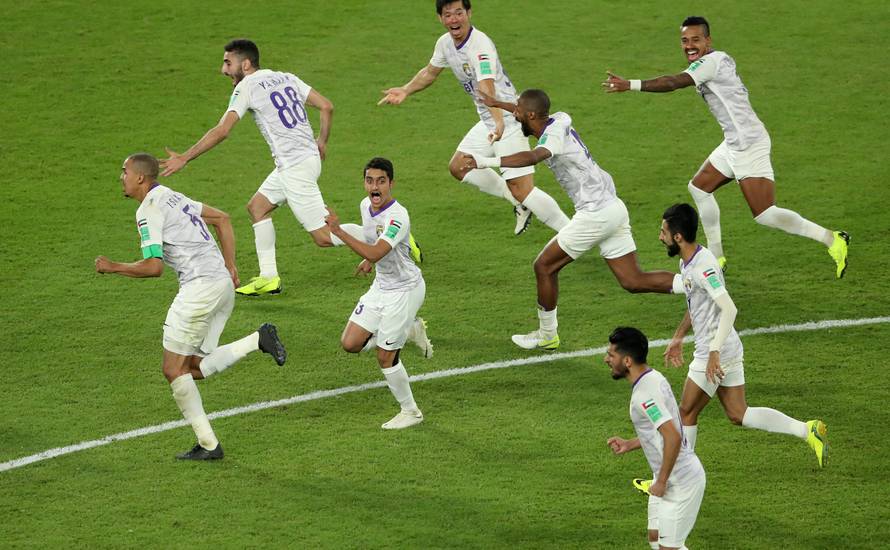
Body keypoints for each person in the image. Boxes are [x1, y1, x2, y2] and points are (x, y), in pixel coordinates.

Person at [602, 16, 849, 278]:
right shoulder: (715, 60)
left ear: (708, 40)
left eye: (696, 39)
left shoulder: (710, 63)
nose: (689, 45)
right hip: (734, 141)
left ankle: (833, 239)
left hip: (748, 144)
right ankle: (717, 257)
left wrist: (630, 85)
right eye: (684, 40)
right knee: (699, 187)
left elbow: (673, 82)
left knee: (765, 213)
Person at [160, 39, 409, 297]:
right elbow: (326, 106)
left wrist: (185, 157)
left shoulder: (247, 86)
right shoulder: (285, 77)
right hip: (303, 160)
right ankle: (269, 277)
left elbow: (223, 130)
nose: (223, 70)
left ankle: (389, 238)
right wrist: (321, 141)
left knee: (324, 237)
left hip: (294, 168)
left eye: (227, 63)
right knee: (257, 207)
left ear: (245, 65)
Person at [95, 153, 287, 460]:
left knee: (173, 369)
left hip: (198, 290)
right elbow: (222, 218)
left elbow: (153, 267)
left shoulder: (148, 210)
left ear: (140, 178)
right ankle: (257, 340)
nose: (122, 177)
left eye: (125, 172)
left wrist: (112, 266)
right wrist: (230, 265)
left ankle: (210, 446)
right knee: (192, 367)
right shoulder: (172, 196)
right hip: (222, 287)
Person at [464, 89, 683, 351]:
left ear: (531, 115)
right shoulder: (558, 118)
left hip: (596, 214)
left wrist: (485, 161)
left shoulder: (552, 138)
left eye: (518, 111)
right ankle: (695, 282)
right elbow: (525, 112)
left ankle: (547, 335)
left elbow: (535, 156)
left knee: (544, 266)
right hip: (612, 206)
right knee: (633, 281)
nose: (515, 114)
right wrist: (497, 103)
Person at [378, 0, 569, 236]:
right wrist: (406, 89)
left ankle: (571, 233)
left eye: (459, 13)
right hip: (490, 120)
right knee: (459, 167)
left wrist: (499, 123)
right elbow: (430, 72)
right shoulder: (445, 43)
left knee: (524, 190)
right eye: (448, 15)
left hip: (508, 120)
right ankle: (519, 203)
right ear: (440, 18)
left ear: (469, 13)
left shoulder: (480, 47)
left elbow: (487, 87)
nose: (454, 19)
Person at [658, 203, 828, 468]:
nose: (661, 237)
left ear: (678, 237)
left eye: (663, 232)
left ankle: (680, 477)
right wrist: (679, 337)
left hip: (714, 351)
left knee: (686, 413)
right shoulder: (687, 261)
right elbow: (698, 304)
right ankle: (807, 430)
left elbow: (729, 308)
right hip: (726, 346)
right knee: (739, 413)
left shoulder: (704, 268)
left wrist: (714, 352)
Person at [325, 157, 432, 429]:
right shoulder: (365, 206)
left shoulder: (398, 216)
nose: (375, 187)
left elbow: (376, 249)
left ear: (391, 184)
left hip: (405, 290)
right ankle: (409, 331)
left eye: (381, 181)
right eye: (370, 180)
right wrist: (370, 261)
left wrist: (339, 232)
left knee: (385, 356)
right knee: (350, 343)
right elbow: (374, 245)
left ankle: (411, 412)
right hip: (381, 286)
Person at [606, 327, 706, 550]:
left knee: (668, 548)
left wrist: (661, 481)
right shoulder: (653, 377)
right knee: (655, 537)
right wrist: (630, 443)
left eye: (612, 355)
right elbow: (662, 430)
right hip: (669, 478)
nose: (607, 359)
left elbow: (672, 437)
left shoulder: (644, 396)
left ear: (628, 360)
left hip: (680, 482)